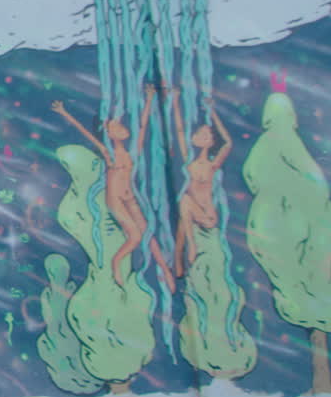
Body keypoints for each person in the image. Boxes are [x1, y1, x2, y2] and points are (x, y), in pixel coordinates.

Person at [51, 86, 175, 293]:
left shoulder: (130, 151)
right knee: (135, 237)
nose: (122, 128)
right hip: (115, 199)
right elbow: (85, 132)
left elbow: (143, 127)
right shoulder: (108, 154)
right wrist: (64, 113)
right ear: (109, 134)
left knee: (148, 235)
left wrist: (150, 99)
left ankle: (166, 272)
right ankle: (117, 262)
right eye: (115, 127)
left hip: (130, 198)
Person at [167, 87, 233, 277]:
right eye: (202, 134)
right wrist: (175, 101)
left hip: (207, 216)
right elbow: (179, 129)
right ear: (194, 139)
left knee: (185, 202)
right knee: (184, 210)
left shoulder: (212, 165)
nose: (207, 137)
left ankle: (191, 247)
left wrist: (212, 112)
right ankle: (178, 264)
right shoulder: (189, 163)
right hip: (190, 213)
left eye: (209, 136)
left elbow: (228, 143)